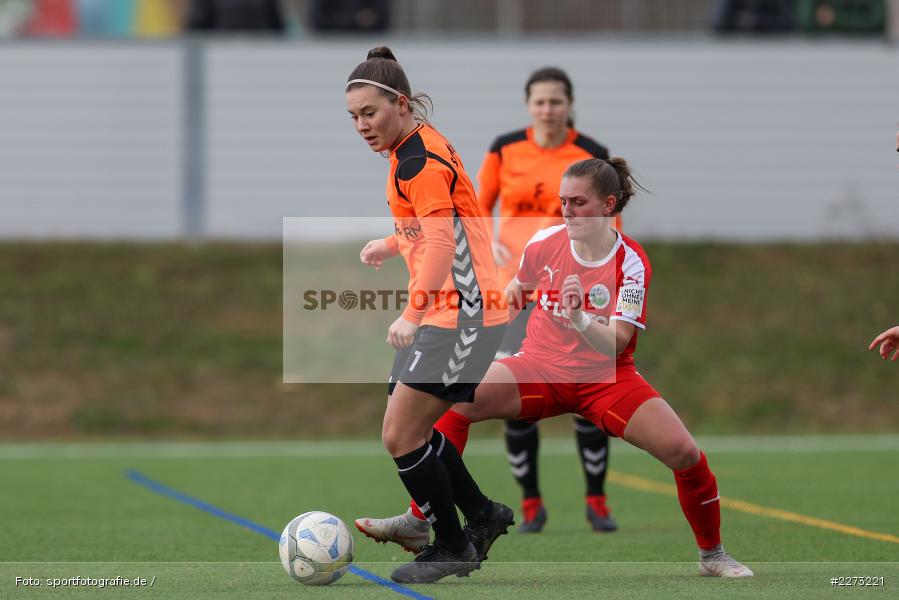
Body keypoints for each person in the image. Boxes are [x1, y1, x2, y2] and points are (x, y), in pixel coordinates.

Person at [357, 157, 755, 578]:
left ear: (609, 205)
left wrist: (581, 318)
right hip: (538, 368)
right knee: (455, 402)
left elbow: (618, 341)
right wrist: (466, 336)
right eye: (563, 201)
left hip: (606, 380)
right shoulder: (545, 243)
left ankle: (712, 555)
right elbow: (511, 300)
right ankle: (421, 519)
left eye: (579, 202)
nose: (567, 210)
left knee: (685, 453)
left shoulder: (630, 262)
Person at [347, 46, 513, 584]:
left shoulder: (417, 160)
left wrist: (412, 314)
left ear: (399, 102)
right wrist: (393, 242)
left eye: (369, 113)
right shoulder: (413, 147)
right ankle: (483, 516)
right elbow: (438, 225)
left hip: (463, 315)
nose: (361, 126)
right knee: (410, 422)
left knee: (399, 435)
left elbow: (442, 244)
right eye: (353, 117)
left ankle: (451, 544)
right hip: (457, 311)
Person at [479, 66, 618, 534]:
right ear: (528, 105)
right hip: (515, 293)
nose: (547, 109)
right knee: (515, 398)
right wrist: (484, 245)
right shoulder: (504, 148)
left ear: (569, 104)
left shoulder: (592, 155)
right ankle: (532, 503)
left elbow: (611, 222)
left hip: (572, 293)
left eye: (556, 101)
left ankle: (597, 500)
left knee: (588, 397)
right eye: (539, 101)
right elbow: (477, 207)